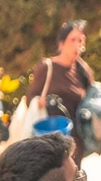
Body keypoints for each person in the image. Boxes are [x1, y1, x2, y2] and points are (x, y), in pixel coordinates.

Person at [24, 20, 95, 158]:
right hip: (49, 139)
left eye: (80, 40)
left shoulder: (84, 71)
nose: (77, 45)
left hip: (76, 143)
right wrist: (44, 102)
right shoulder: (47, 67)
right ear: (61, 43)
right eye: (72, 40)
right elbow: (30, 99)